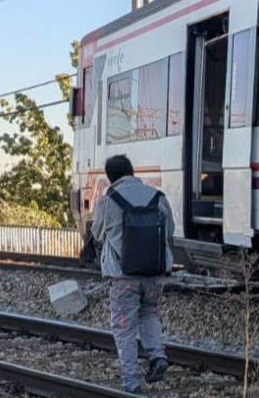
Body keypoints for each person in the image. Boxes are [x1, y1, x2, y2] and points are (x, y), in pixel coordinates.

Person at [91, 155, 174, 393]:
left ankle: (130, 382)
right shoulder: (158, 197)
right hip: (155, 273)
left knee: (124, 327)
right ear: (132, 171)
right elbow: (170, 232)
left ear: (111, 177)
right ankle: (157, 355)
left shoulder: (109, 200)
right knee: (150, 312)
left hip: (123, 275)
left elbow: (97, 233)